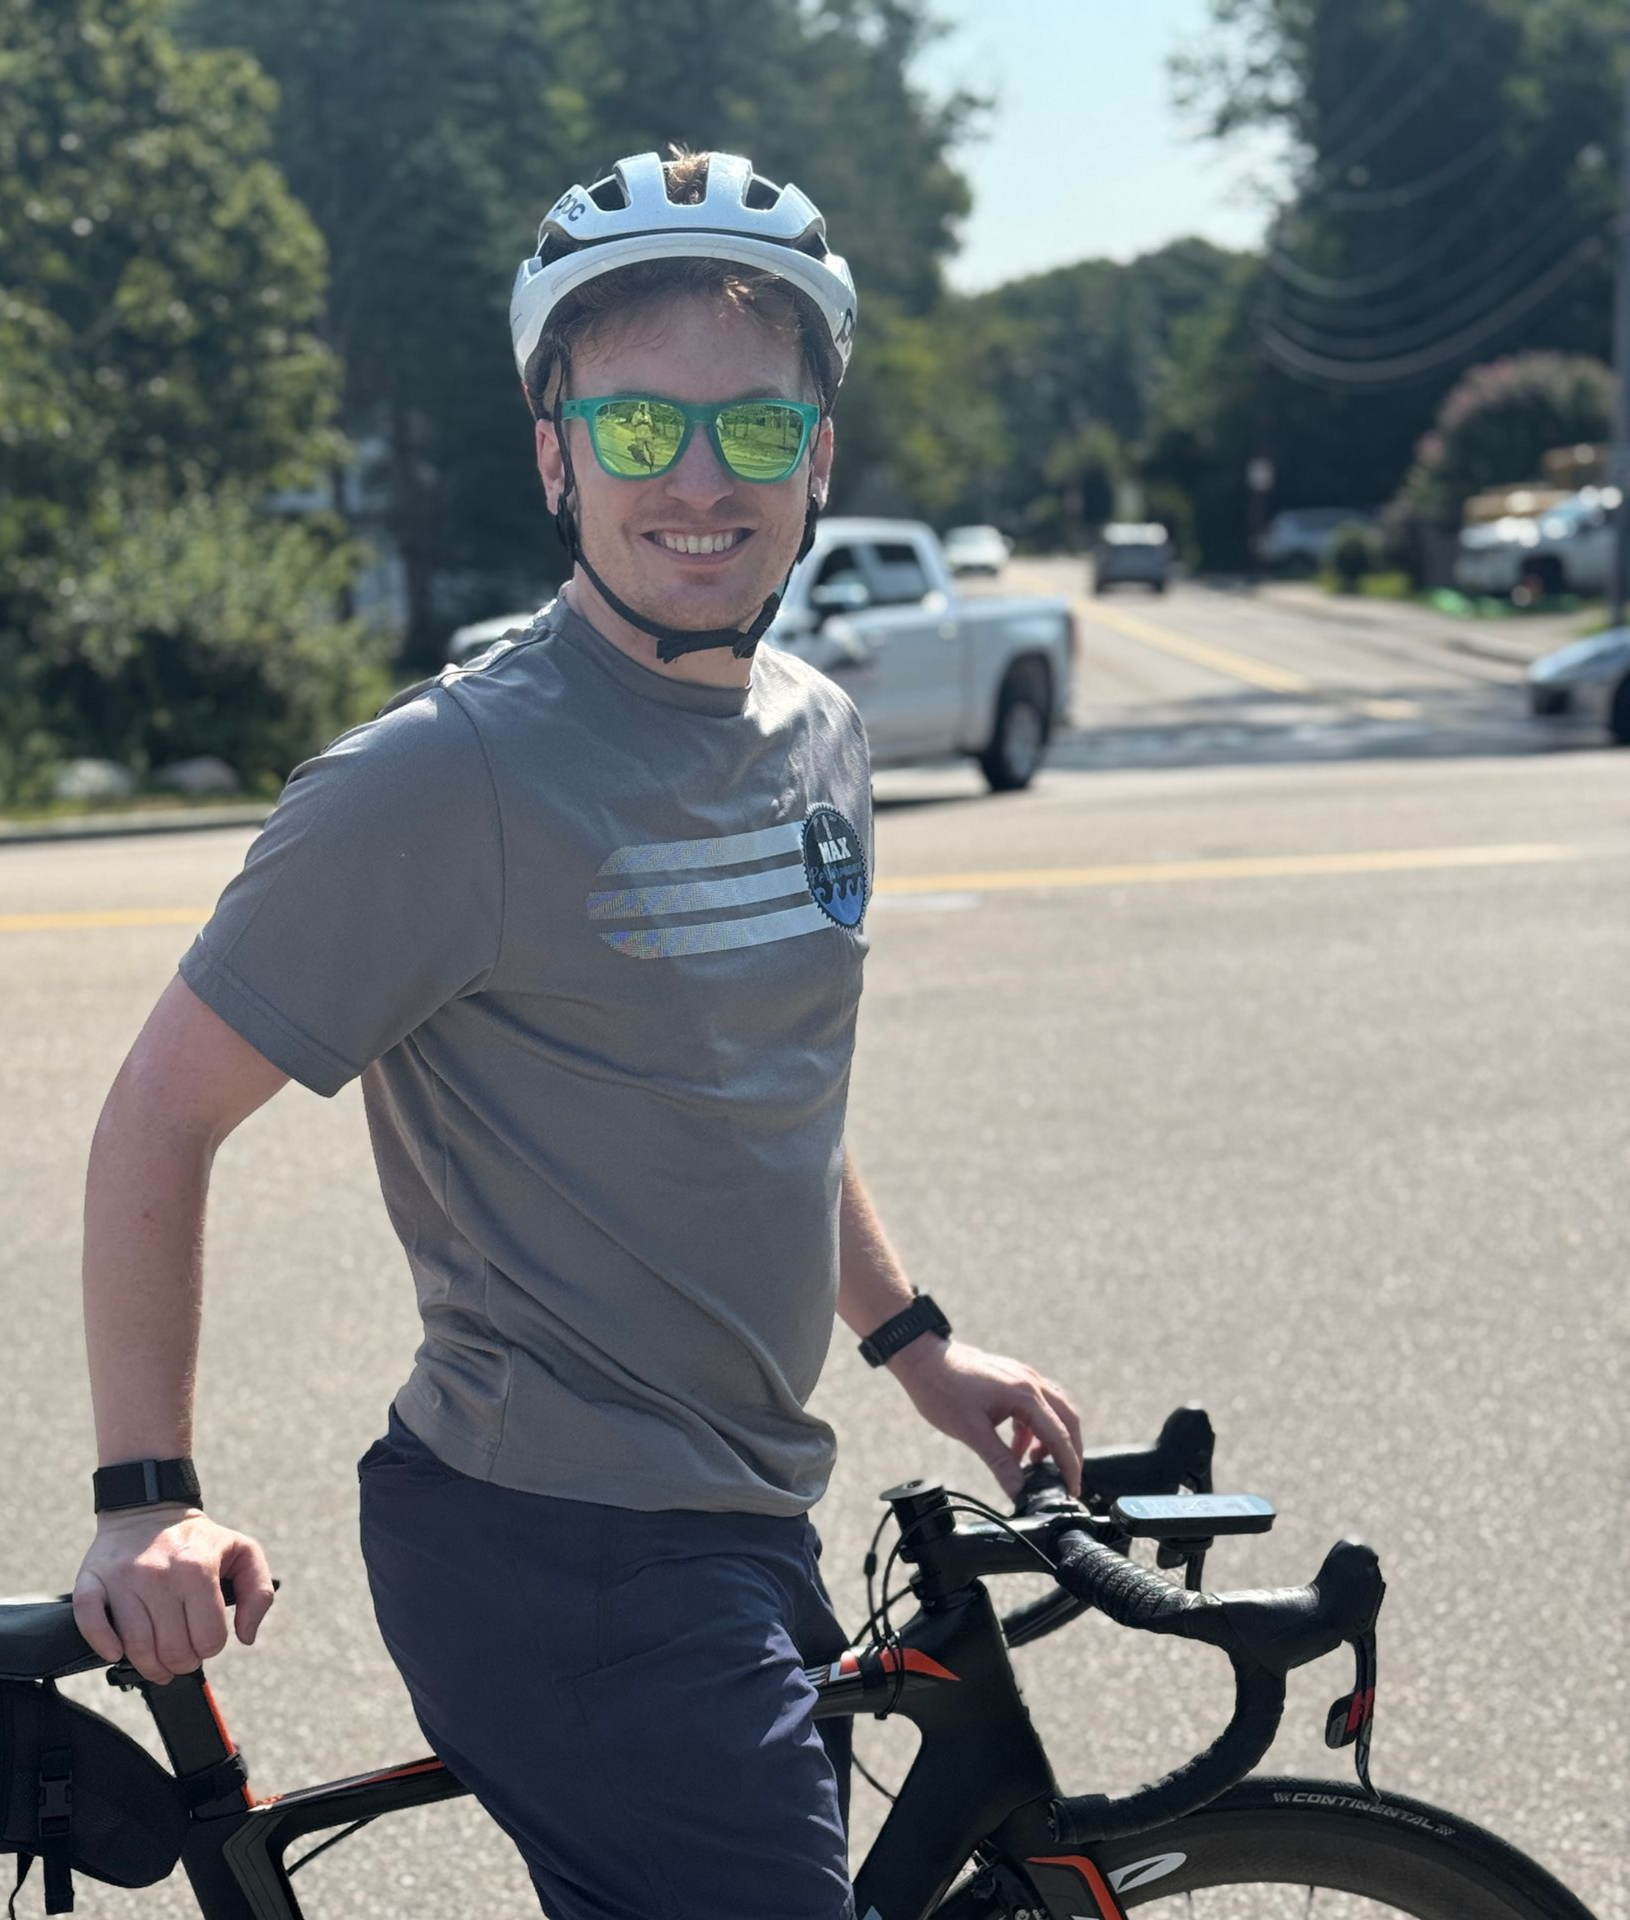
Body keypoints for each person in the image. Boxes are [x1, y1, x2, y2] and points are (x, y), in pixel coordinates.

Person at [72, 148, 1082, 1920]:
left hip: (744, 1511)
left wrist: (916, 1344)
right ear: (557, 456)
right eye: (636, 427)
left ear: (818, 458)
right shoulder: (444, 777)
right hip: (560, 1554)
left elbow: (755, 1084)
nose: (698, 478)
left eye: (753, 427)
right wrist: (145, 1495)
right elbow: (160, 1113)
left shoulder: (820, 734)